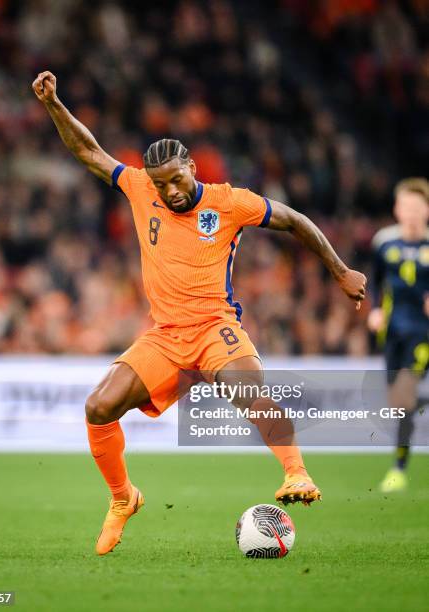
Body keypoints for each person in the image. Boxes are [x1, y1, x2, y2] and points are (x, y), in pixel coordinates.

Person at [32, 71, 367, 555]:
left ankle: (297, 473)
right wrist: (54, 104)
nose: (169, 192)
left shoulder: (230, 202)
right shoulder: (140, 188)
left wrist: (339, 271)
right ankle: (123, 498)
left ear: (192, 166)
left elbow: (294, 220)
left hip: (215, 329)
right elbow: (89, 152)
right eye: (161, 184)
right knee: (98, 407)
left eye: (176, 180)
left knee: (248, 393)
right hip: (165, 336)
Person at [368, 178, 429, 493]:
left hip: (424, 334)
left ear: (427, 210)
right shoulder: (384, 242)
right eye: (406, 206)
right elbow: (377, 281)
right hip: (393, 333)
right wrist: (375, 310)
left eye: (418, 207)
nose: (412, 213)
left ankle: (399, 468)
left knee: (404, 396)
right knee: (398, 403)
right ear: (397, 209)